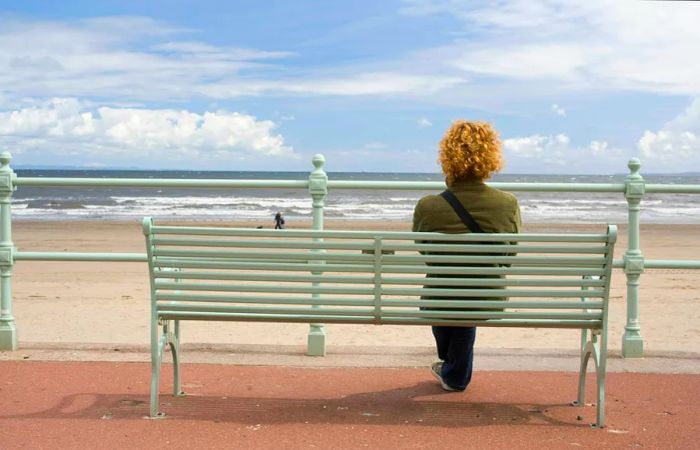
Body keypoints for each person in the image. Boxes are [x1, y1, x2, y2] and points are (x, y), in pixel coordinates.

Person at [412, 120, 521, 392]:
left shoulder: (428, 205)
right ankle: (452, 371)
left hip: (440, 295)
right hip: (487, 296)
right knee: (468, 298)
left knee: (449, 294)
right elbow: (508, 256)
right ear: (490, 157)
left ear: (446, 158)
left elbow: (427, 253)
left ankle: (454, 373)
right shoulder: (507, 203)